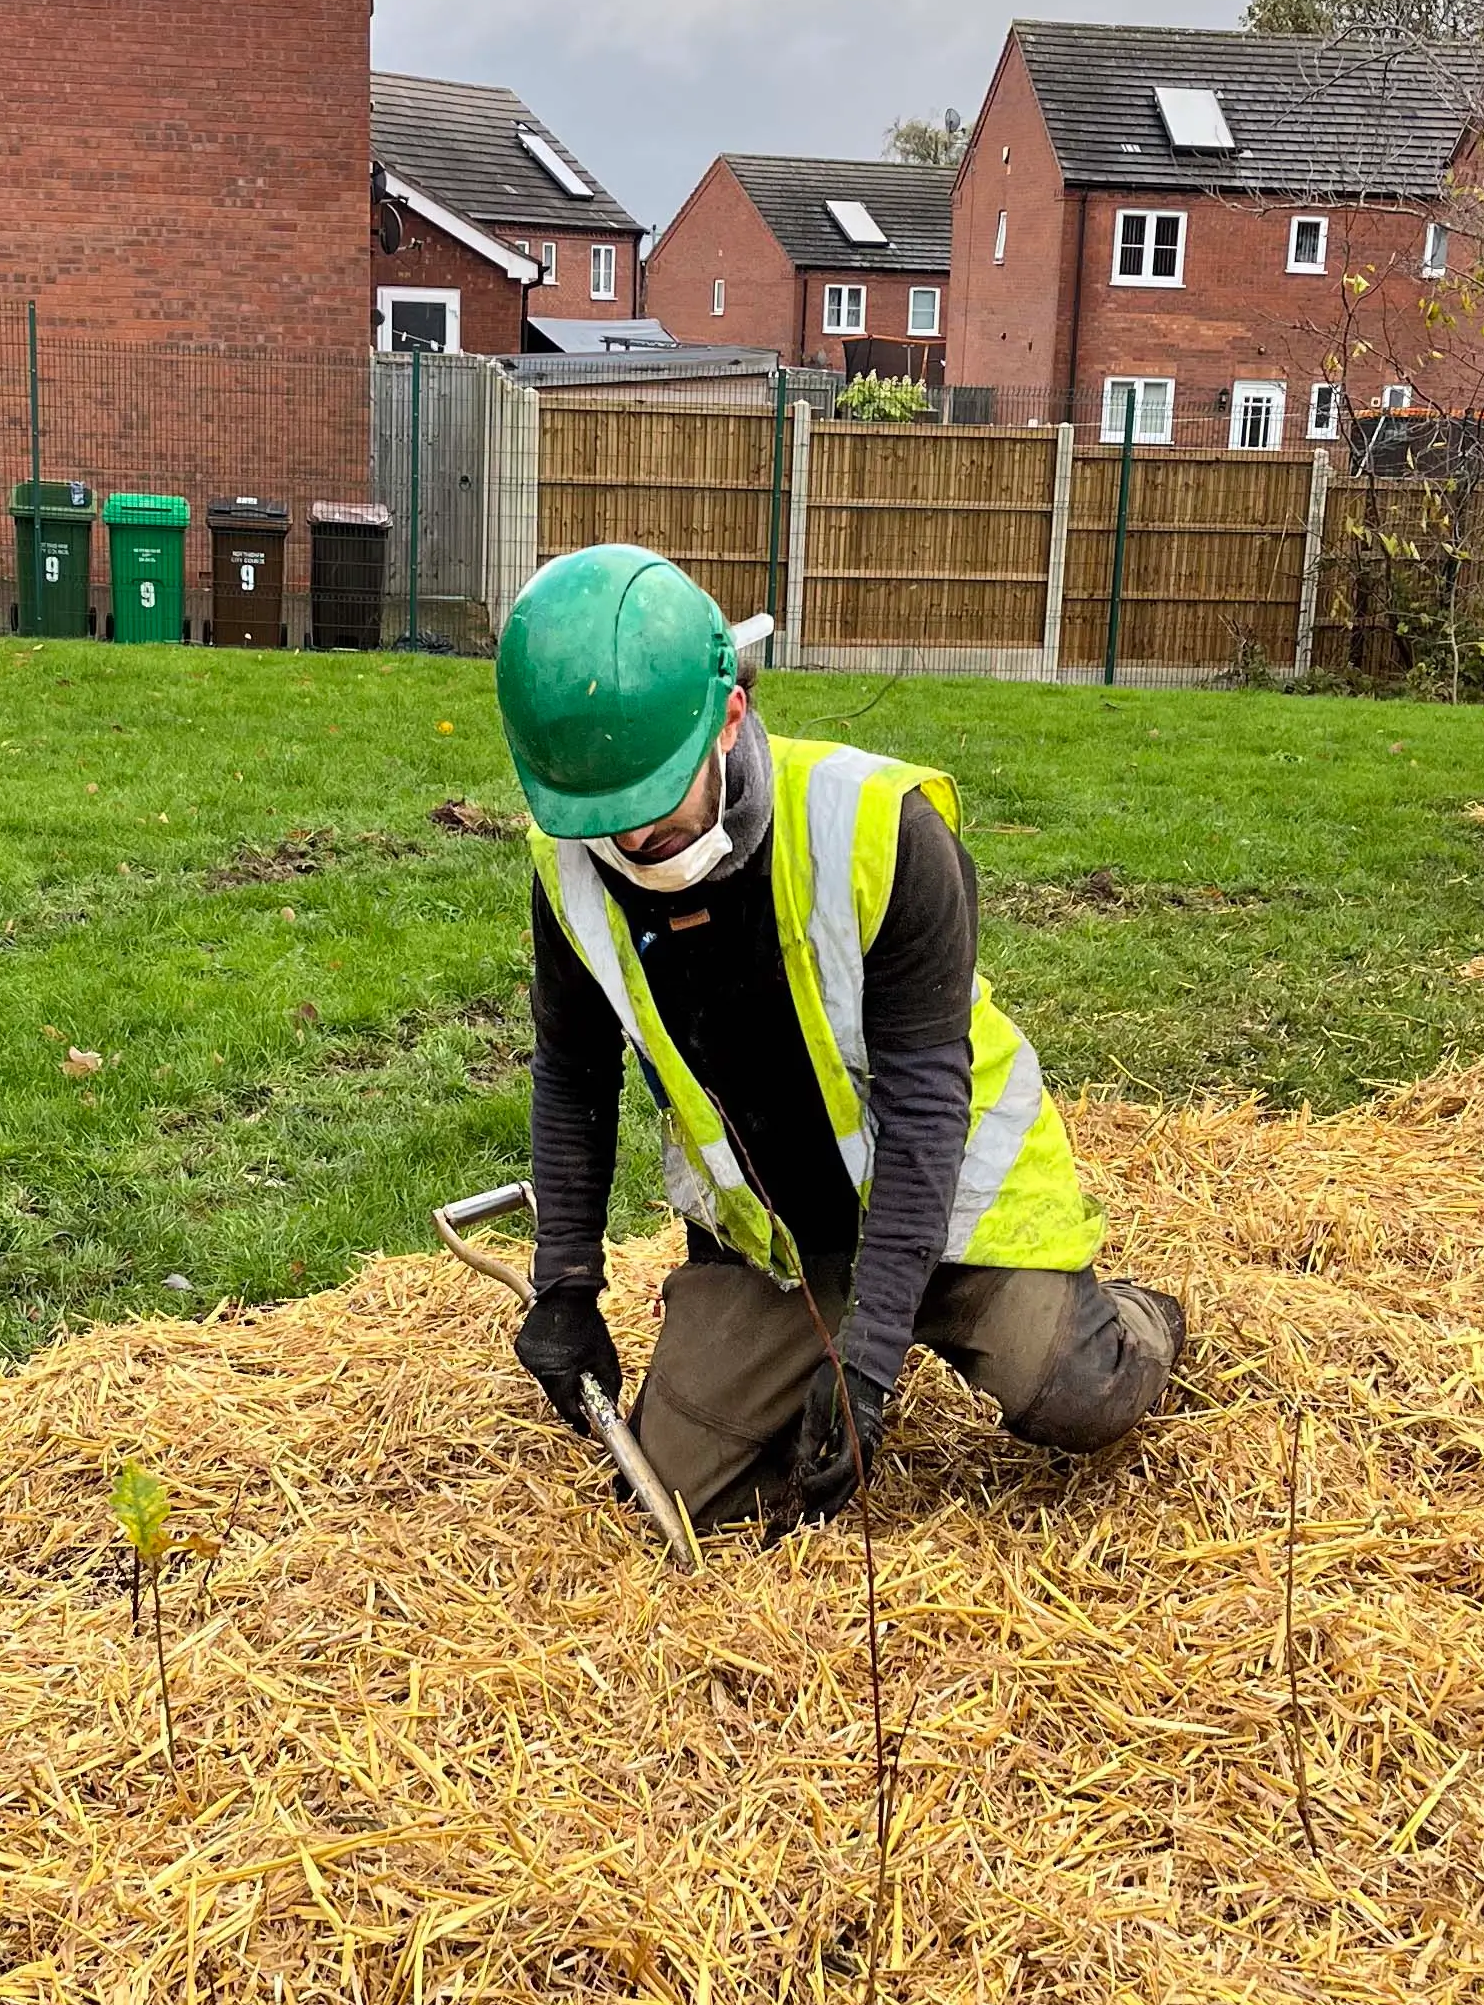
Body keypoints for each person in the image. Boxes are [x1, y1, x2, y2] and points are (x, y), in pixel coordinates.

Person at [491, 542, 1185, 1530]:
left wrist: (873, 1361)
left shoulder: (879, 830)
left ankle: (1138, 1321)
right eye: (598, 823)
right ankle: (798, 1352)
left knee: (1074, 1395)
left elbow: (925, 1102)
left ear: (728, 719)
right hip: (786, 1240)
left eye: (649, 811)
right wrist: (566, 1281)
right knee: (680, 1497)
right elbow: (571, 1072)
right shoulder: (570, 869)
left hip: (952, 1215)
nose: (628, 850)